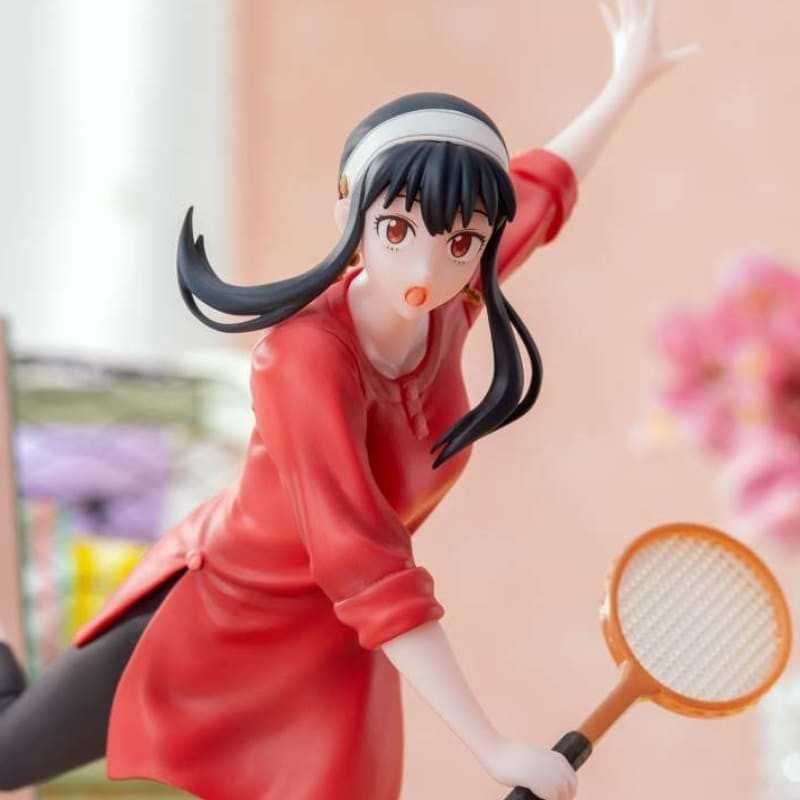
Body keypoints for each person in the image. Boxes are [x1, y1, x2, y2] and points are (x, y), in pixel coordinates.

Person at [0, 2, 695, 798]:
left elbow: (537, 194)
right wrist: (494, 749)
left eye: (460, 241)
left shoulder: (453, 300)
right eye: (396, 230)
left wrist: (623, 83)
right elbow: (364, 559)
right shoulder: (303, 359)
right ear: (349, 212)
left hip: (337, 639)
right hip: (225, 616)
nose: (425, 269)